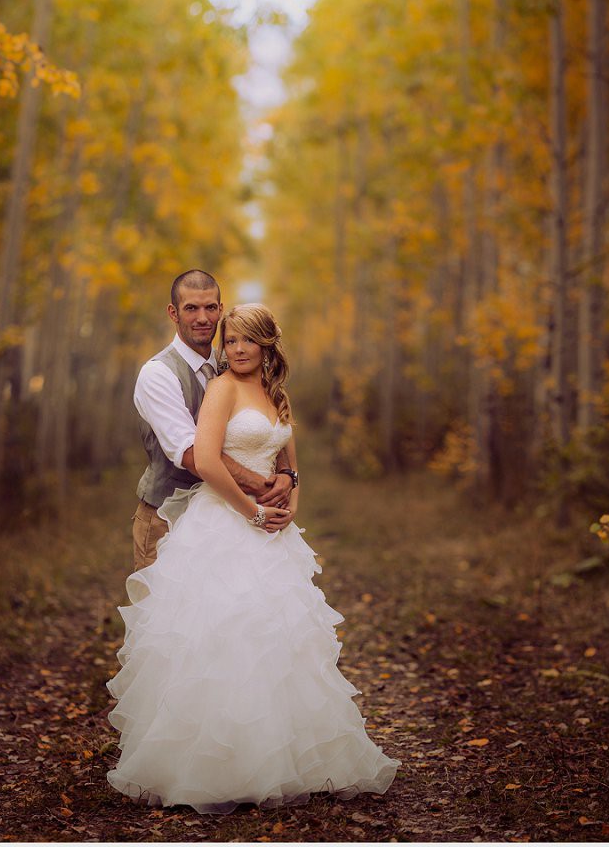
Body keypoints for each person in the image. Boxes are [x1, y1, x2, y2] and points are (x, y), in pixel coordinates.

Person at [107, 303, 400, 813]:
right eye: (231, 340)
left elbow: (291, 466)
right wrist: (251, 512)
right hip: (223, 523)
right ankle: (213, 765)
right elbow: (210, 460)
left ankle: (283, 760)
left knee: (277, 641)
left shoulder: (276, 395)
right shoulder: (221, 389)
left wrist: (288, 507)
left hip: (272, 533)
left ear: (267, 347)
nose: (238, 349)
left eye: (249, 341)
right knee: (222, 636)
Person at [131, 270, 293, 571]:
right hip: (167, 517)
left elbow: (266, 428)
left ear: (220, 309)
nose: (202, 317)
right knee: (171, 615)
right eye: (191, 308)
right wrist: (262, 486)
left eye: (210, 307)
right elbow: (192, 455)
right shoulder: (158, 374)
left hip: (231, 517)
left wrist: (286, 473)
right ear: (173, 313)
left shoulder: (236, 362)